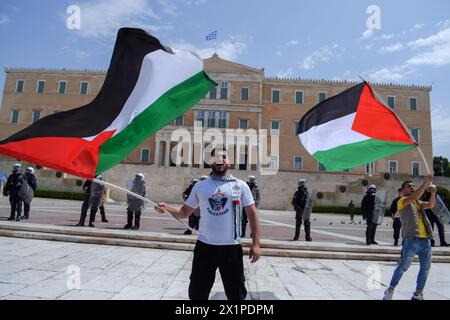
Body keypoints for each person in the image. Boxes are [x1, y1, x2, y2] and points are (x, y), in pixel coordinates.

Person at [155, 146, 261, 300]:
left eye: (223, 157)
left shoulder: (240, 185)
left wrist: (256, 244)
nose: (220, 160)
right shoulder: (200, 186)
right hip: (205, 248)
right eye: (216, 157)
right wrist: (167, 208)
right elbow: (184, 212)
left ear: (229, 162)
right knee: (197, 294)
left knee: (236, 295)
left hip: (231, 248)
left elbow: (252, 215)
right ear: (210, 162)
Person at [383, 175, 436, 300]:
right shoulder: (402, 201)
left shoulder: (418, 203)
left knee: (425, 267)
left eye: (413, 186)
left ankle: (418, 293)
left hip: (425, 240)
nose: (412, 187)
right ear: (403, 190)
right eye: (409, 186)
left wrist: (433, 193)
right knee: (403, 266)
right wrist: (426, 182)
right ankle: (390, 289)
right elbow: (414, 197)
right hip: (411, 239)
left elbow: (431, 205)